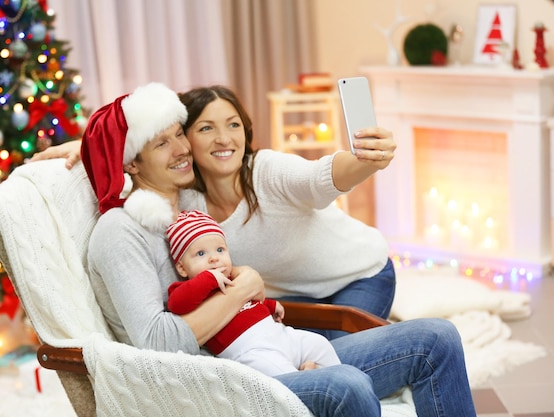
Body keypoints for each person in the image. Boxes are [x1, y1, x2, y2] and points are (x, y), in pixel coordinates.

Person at [69, 81, 476, 416]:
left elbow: (319, 177)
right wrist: (245, 289)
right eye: (161, 144)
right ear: (130, 163)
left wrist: (367, 160)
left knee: (437, 337)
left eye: (179, 135)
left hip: (273, 340)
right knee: (345, 383)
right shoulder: (120, 231)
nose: (180, 149)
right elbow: (158, 343)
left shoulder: (191, 202)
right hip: (223, 379)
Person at [32, 84, 397, 339]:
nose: (224, 139)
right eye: (206, 128)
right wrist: (92, 146)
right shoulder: (185, 201)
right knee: (285, 358)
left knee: (337, 361)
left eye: (234, 125)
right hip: (291, 297)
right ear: (186, 138)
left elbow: (323, 175)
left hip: (361, 277)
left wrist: (369, 160)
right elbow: (139, 159)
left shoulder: (268, 172)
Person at [166, 209, 341, 376]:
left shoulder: (234, 280)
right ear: (182, 268)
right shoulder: (186, 289)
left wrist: (270, 305)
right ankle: (308, 379)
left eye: (220, 250)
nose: (214, 258)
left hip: (281, 335)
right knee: (278, 372)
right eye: (201, 253)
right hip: (252, 352)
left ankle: (319, 374)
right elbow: (176, 304)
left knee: (319, 344)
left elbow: (249, 304)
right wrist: (208, 280)